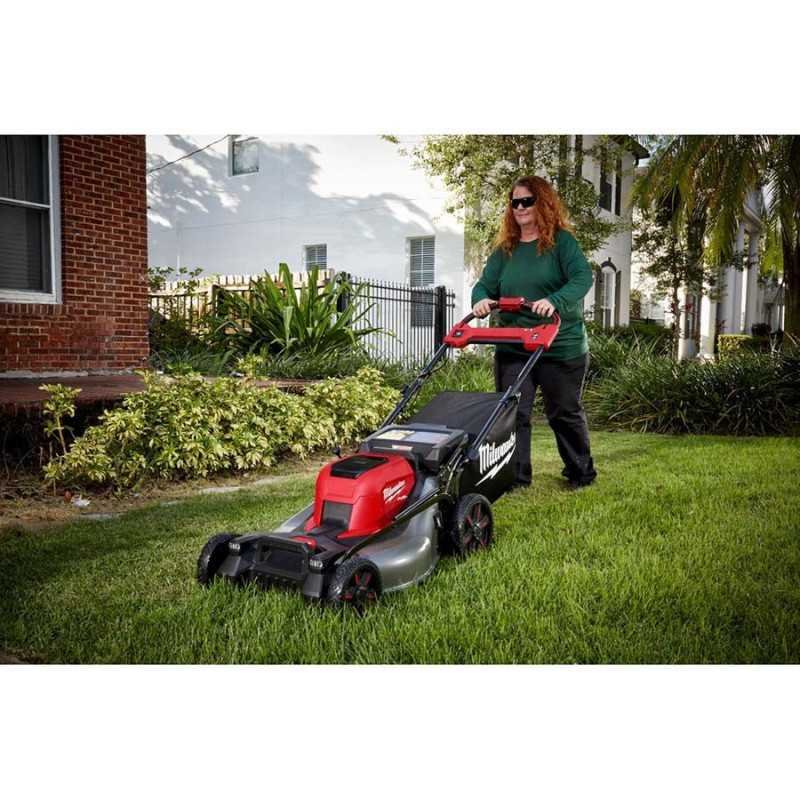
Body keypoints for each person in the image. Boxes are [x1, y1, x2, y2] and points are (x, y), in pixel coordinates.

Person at [471, 175, 597, 490]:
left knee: (564, 412)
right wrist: (481, 300)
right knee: (514, 413)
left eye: (527, 201)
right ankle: (516, 477)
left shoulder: (562, 243)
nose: (520, 207)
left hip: (559, 345)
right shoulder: (506, 250)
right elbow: (484, 285)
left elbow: (582, 278)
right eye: (515, 202)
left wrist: (554, 301)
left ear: (543, 203)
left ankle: (581, 473)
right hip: (514, 345)